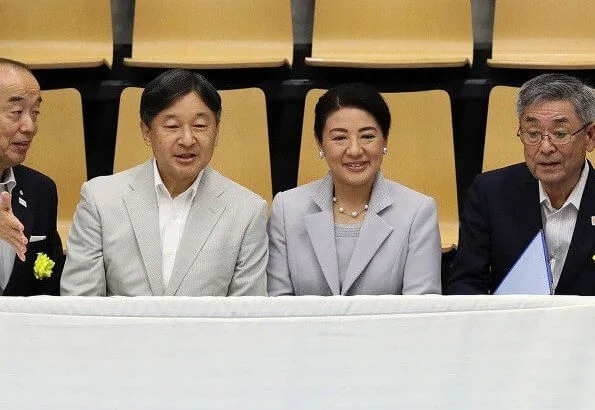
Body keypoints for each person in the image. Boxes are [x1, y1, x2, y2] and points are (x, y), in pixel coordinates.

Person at [61, 69, 268, 296]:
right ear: (147, 132)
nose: (187, 140)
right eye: (172, 126)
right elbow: (81, 304)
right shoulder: (100, 199)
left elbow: (247, 317)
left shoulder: (247, 210)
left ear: (216, 131)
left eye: (200, 126)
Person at [267, 83, 442, 296]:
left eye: (367, 136)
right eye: (340, 137)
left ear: (385, 140)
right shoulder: (287, 208)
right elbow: (277, 307)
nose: (355, 150)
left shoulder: (418, 211)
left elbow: (420, 312)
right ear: (320, 144)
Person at [447, 73, 595, 295]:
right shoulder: (490, 192)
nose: (545, 147)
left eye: (560, 133)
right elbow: (465, 284)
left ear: (590, 136)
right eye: (533, 134)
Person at [0, 58, 64, 296]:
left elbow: (49, 283)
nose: (29, 126)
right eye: (16, 112)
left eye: (35, 112)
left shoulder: (40, 190)